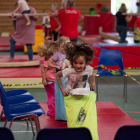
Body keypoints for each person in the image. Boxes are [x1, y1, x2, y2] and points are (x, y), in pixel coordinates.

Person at [56, 42, 99, 140]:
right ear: (72, 62)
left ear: (86, 62)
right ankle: (75, 133)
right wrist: (62, 89)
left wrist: (93, 81)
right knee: (75, 117)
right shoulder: (70, 70)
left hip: (83, 94)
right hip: (72, 95)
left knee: (84, 116)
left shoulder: (88, 69)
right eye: (75, 63)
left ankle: (87, 133)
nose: (78, 66)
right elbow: (58, 75)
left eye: (81, 63)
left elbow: (91, 72)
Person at [48, 36, 70, 121]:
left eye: (65, 47)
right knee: (60, 96)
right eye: (61, 46)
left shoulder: (70, 54)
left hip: (68, 77)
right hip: (59, 78)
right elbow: (49, 64)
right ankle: (61, 115)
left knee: (68, 95)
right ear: (58, 46)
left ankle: (68, 114)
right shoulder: (57, 54)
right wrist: (56, 66)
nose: (63, 48)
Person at [38, 36, 59, 116]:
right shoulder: (51, 59)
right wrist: (43, 79)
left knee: (52, 97)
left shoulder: (54, 58)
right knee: (53, 97)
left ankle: (52, 111)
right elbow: (43, 67)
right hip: (51, 81)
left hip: (51, 80)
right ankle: (53, 112)